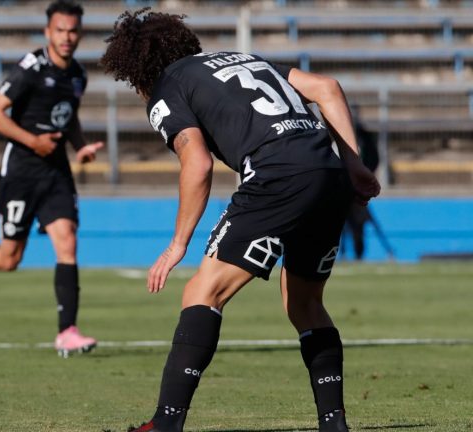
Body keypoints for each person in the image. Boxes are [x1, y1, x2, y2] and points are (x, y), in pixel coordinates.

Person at [101, 9, 380, 432]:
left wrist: (178, 244)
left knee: (202, 292)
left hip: (277, 175)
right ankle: (333, 424)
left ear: (137, 69)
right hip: (328, 173)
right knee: (304, 304)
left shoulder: (167, 87)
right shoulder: (243, 58)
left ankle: (165, 423)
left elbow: (196, 164)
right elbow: (327, 88)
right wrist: (355, 165)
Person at [0, 0, 103, 358]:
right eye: (60, 30)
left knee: (67, 240)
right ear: (48, 32)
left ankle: (67, 331)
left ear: (80, 33)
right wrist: (33, 141)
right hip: (21, 172)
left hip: (56, 171)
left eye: (73, 30)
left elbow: (68, 117)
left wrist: (79, 148)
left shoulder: (78, 75)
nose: (67, 37)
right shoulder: (31, 67)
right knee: (9, 258)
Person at [341, 106, 380, 260]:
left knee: (358, 225)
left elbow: (373, 157)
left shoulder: (364, 136)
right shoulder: (332, 133)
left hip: (356, 188)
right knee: (337, 224)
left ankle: (358, 255)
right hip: (340, 187)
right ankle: (340, 254)